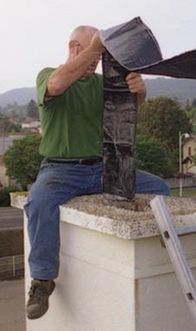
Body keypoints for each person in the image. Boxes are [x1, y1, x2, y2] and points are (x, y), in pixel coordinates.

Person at [24, 25, 170, 320]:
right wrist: (96, 47)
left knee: (160, 189)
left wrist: (139, 93)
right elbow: (54, 86)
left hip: (105, 167)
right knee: (39, 201)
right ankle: (42, 280)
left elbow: (126, 112)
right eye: (94, 53)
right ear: (74, 47)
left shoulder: (102, 84)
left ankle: (165, 255)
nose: (98, 60)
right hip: (60, 170)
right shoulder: (49, 74)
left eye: (100, 54)